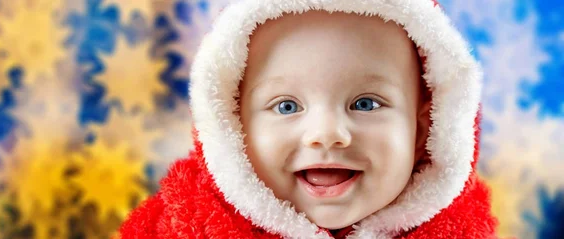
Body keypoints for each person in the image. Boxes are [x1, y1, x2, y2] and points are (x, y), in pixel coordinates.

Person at [119, 0, 497, 238]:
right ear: (233, 129)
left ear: (423, 132)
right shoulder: (180, 228)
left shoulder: (464, 231)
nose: (327, 134)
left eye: (366, 103)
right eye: (287, 106)